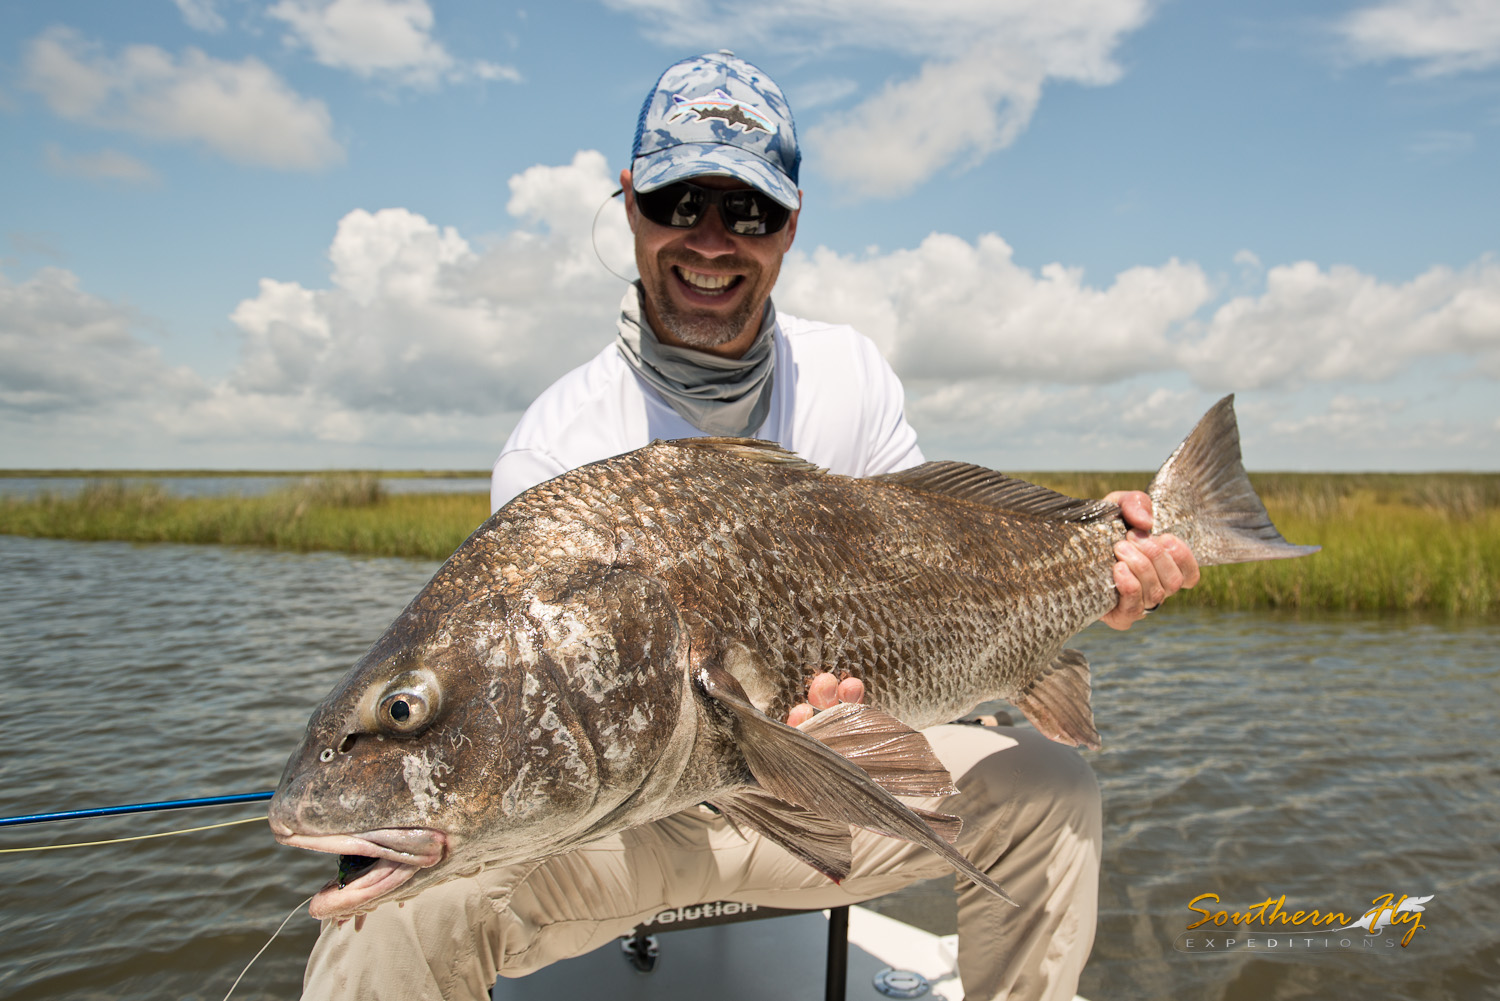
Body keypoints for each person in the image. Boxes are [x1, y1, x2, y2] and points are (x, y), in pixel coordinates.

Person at [302, 51, 1198, 1001]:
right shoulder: (555, 448)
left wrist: (1095, 563)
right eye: (681, 203)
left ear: (791, 227)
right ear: (631, 200)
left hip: (824, 783)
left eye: (751, 211)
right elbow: (531, 724)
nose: (713, 240)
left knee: (1054, 794)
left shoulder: (848, 373)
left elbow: (938, 563)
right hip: (632, 827)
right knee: (387, 923)